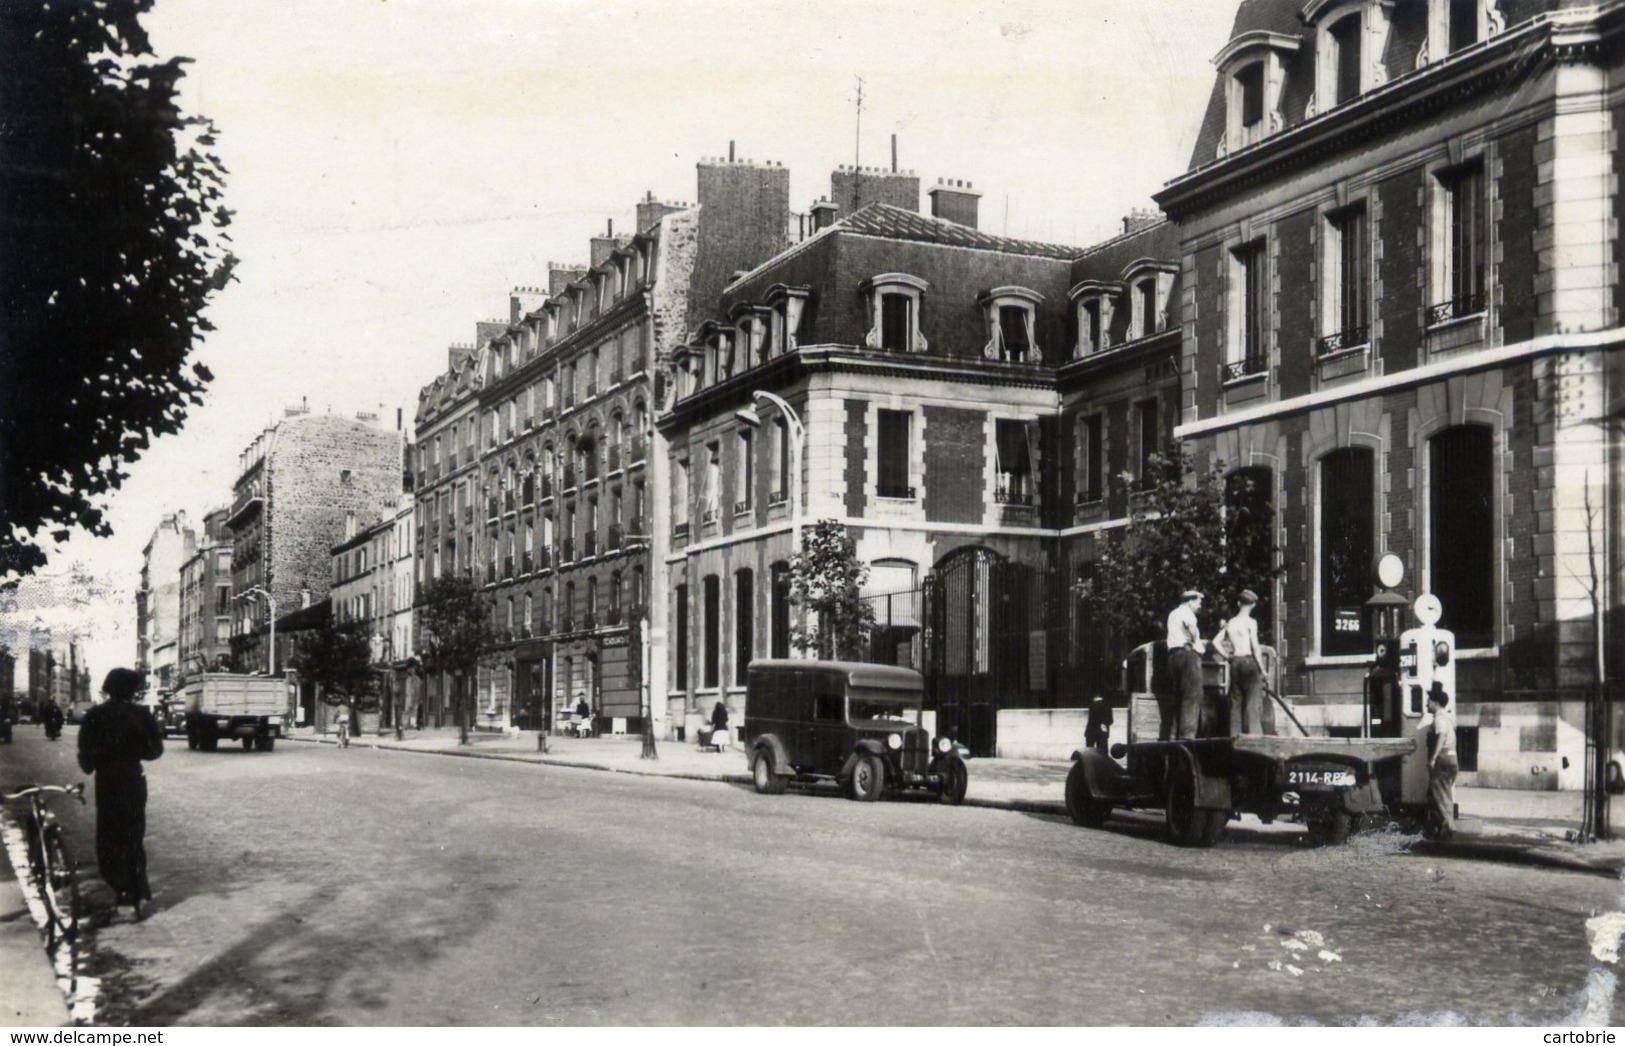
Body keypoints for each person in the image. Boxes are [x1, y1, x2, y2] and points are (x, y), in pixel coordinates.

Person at [76, 668, 163, 919]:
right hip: (133, 781)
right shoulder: (142, 715)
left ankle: (120, 890)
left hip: (107, 783)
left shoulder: (94, 716)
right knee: (133, 836)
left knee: (109, 837)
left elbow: (86, 760)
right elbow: (154, 751)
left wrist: (101, 757)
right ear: (132, 691)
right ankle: (133, 896)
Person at [1215, 589, 1265, 737]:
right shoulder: (1251, 622)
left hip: (1235, 662)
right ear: (1253, 605)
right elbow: (1255, 647)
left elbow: (1216, 642)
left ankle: (1234, 739)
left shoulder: (1231, 623)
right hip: (1249, 661)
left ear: (1238, 603)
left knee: (1235, 704)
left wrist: (1227, 657)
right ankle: (1254, 739)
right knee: (1252, 703)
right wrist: (1262, 669)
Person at [1166, 589, 1208, 740]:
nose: (1199, 605)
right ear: (1190, 601)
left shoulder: (1172, 614)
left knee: (1177, 699)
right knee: (1191, 698)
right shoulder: (1188, 614)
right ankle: (1187, 739)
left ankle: (1173, 736)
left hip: (1173, 657)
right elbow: (1193, 632)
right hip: (1188, 656)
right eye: (1198, 602)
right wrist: (1195, 637)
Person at [1426, 684, 1457, 840]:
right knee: (1445, 794)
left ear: (1435, 702)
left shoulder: (1439, 719)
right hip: (1452, 758)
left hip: (1442, 758)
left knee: (1439, 795)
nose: (1426, 704)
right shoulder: (1449, 718)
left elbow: (1442, 736)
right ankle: (1444, 826)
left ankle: (1448, 828)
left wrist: (1433, 758)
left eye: (1428, 701)